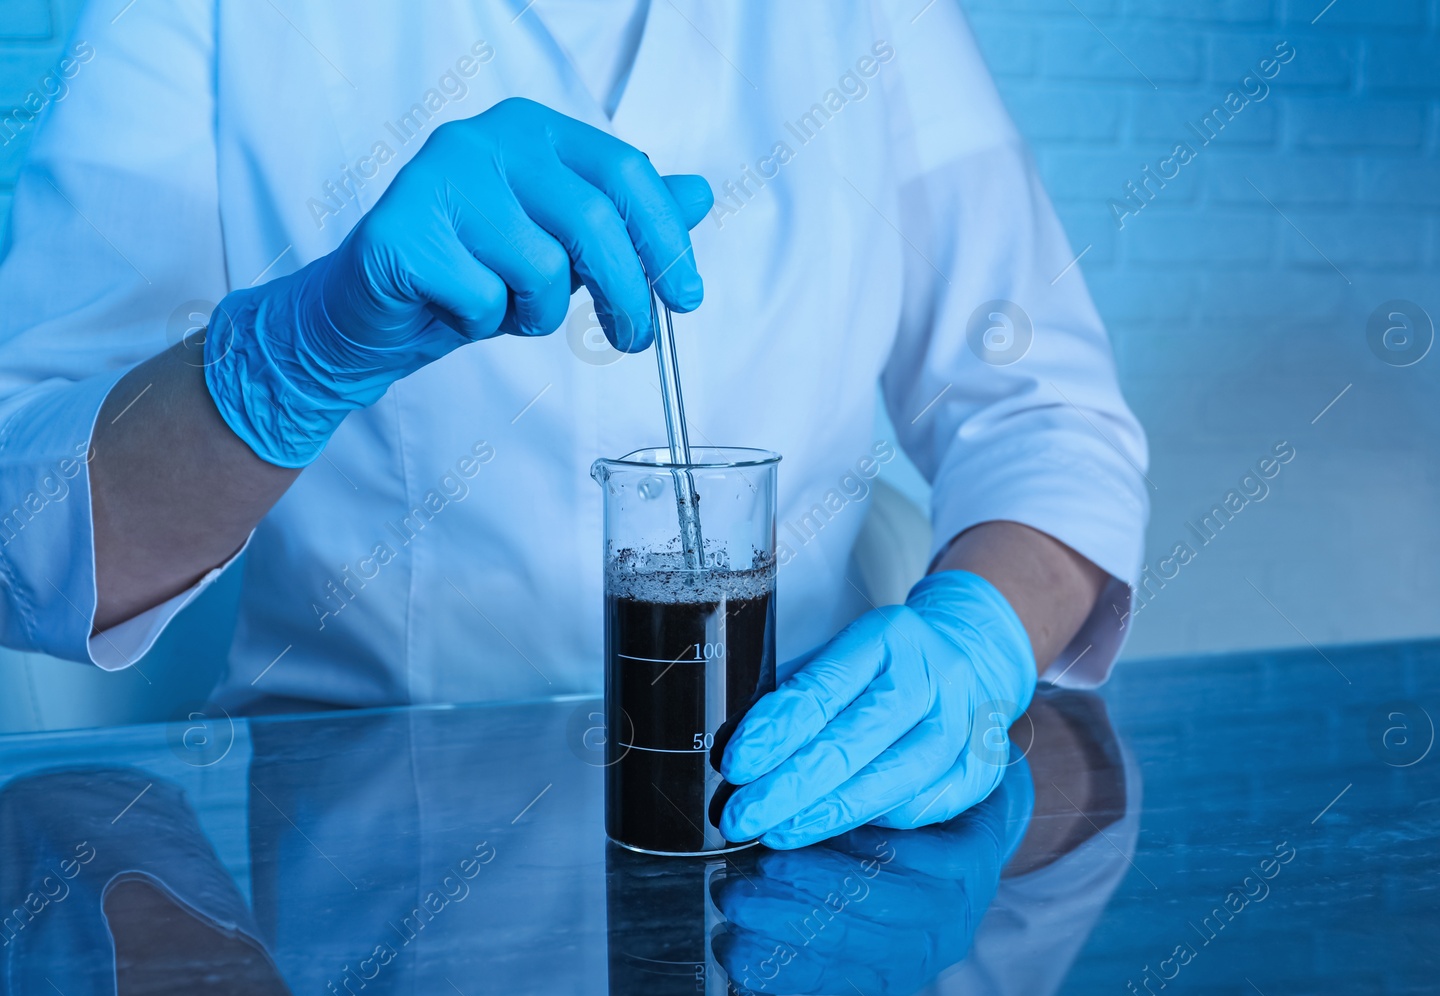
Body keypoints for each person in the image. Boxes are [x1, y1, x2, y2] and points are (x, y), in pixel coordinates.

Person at [0, 0, 1148, 849]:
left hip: (805, 820)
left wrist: (978, 636)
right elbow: (25, 527)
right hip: (379, 868)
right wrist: (297, 348)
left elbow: (1047, 409)